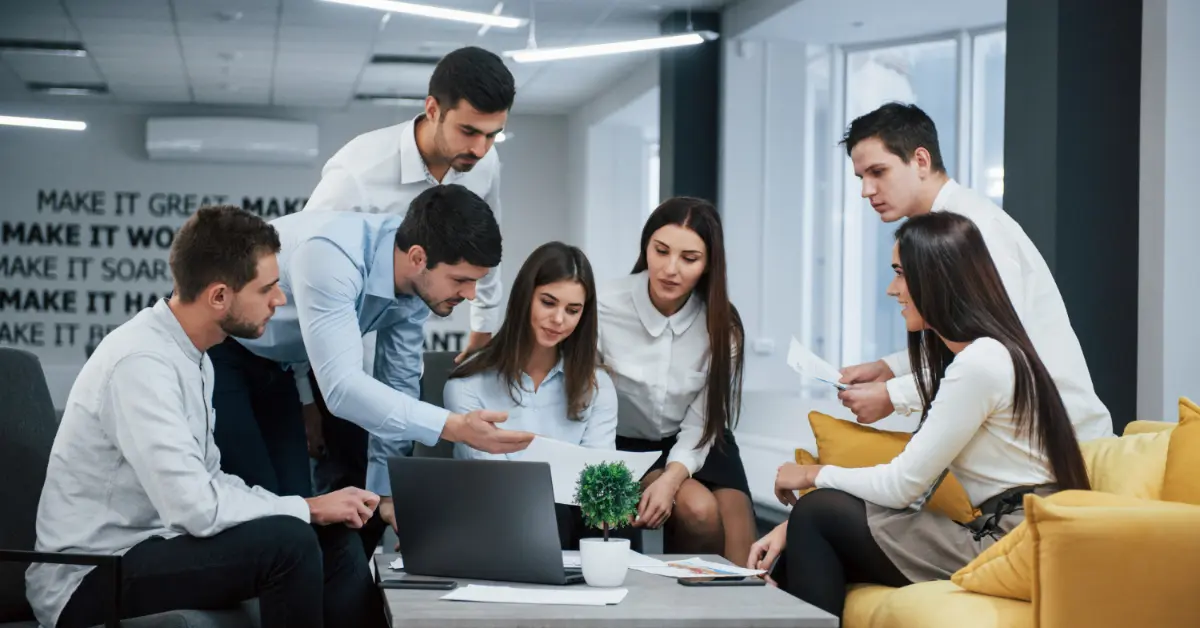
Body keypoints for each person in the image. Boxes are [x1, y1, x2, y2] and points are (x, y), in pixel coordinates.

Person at [27, 206, 388, 628]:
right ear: (219, 296)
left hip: (154, 547)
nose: (281, 299)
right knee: (290, 543)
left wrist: (314, 511)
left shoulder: (194, 356)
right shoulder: (140, 362)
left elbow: (211, 482)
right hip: (90, 577)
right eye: (267, 288)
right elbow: (195, 509)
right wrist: (306, 507)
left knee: (334, 540)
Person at [750, 212, 1091, 621]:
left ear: (937, 277)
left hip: (1012, 542)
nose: (893, 290)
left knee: (819, 512)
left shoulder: (981, 363)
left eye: (900, 274)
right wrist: (793, 532)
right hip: (1008, 533)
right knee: (816, 522)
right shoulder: (983, 355)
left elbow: (903, 487)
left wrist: (812, 475)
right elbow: (916, 486)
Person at [209, 184, 534, 554]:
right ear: (417, 257)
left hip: (280, 366)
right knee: (271, 517)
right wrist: (455, 427)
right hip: (224, 351)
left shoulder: (415, 284)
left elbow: (399, 384)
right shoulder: (332, 255)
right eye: (461, 280)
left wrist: (385, 493)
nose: (472, 295)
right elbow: (342, 389)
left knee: (295, 512)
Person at [300, 45, 517, 501]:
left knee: (398, 447)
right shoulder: (356, 175)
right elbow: (301, 283)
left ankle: (388, 540)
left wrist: (484, 324)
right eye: (469, 131)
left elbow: (488, 241)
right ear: (432, 109)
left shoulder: (484, 162)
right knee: (344, 471)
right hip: (336, 337)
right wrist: (305, 393)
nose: (479, 149)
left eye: (493, 135)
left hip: (405, 319)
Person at [834, 102, 1113, 442]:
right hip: (1017, 434)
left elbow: (1001, 353)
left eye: (878, 172)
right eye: (861, 177)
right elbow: (969, 337)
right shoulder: (941, 228)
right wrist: (891, 368)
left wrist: (896, 395)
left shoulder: (974, 229)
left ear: (921, 161)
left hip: (1056, 440)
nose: (866, 190)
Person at [597, 197, 756, 565]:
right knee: (698, 510)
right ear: (646, 248)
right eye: (661, 251)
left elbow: (702, 421)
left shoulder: (722, 327)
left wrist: (672, 477)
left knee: (746, 571)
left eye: (689, 258)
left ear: (708, 264)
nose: (671, 269)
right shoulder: (603, 305)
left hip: (701, 437)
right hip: (623, 443)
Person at [443, 241, 623, 549]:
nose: (559, 320)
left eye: (573, 310)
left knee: (611, 511)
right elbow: (490, 482)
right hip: (496, 518)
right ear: (526, 297)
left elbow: (599, 478)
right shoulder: (468, 384)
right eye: (548, 302)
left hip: (570, 522)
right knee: (544, 505)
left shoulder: (598, 385)